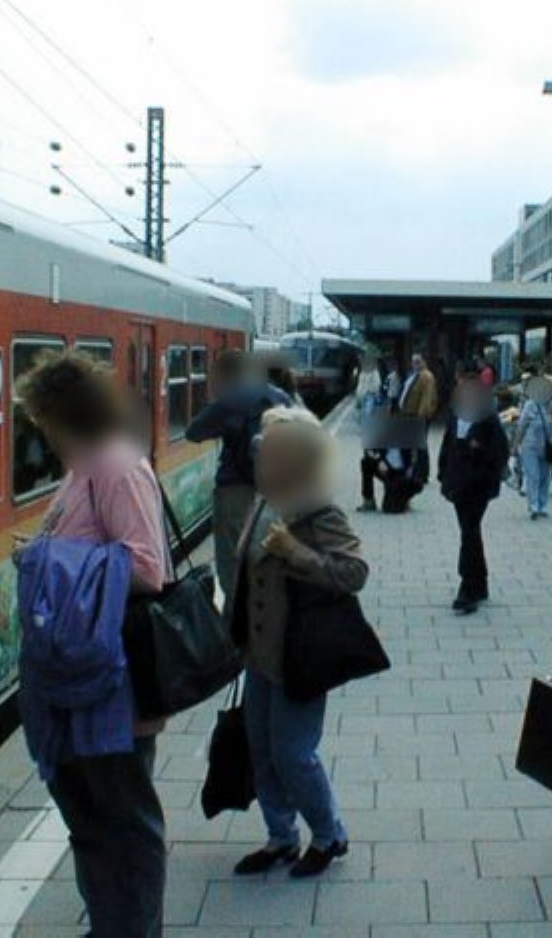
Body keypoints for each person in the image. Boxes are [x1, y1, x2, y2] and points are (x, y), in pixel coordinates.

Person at [14, 350, 172, 936]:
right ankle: (110, 924)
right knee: (90, 820)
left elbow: (147, 568)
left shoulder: (115, 467)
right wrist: (43, 553)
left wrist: (50, 561)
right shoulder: (84, 466)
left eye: (41, 418)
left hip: (114, 684)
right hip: (79, 681)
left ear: (63, 414)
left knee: (125, 824)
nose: (41, 430)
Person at [227, 407, 367, 878]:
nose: (261, 457)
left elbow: (354, 572)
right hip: (258, 654)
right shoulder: (263, 500)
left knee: (293, 753)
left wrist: (297, 553)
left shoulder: (318, 510)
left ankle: (329, 835)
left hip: (298, 653)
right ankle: (281, 837)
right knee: (262, 750)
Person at [185, 350, 290, 598]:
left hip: (235, 492)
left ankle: (237, 615)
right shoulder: (280, 396)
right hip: (277, 493)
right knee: (269, 554)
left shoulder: (230, 400)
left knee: (233, 562)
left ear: (224, 374)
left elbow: (193, 432)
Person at [437, 377, 510, 614]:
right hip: (458, 484)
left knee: (469, 532)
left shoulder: (488, 419)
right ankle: (479, 582)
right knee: (470, 532)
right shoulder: (454, 415)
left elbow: (500, 452)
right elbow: (447, 446)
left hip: (479, 485)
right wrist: (442, 475)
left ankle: (468, 587)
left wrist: (480, 451)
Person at [513, 375, 552, 520]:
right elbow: (522, 426)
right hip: (530, 446)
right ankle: (533, 506)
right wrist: (516, 444)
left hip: (549, 446)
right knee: (533, 476)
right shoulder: (530, 404)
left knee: (545, 477)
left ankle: (542, 505)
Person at [399, 353, 438, 484]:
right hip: (409, 414)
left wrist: (421, 416)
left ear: (424, 362)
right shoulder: (415, 375)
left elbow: (427, 398)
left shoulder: (426, 376)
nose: (415, 364)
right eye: (413, 361)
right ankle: (412, 471)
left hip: (418, 415)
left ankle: (421, 474)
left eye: (418, 361)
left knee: (419, 445)